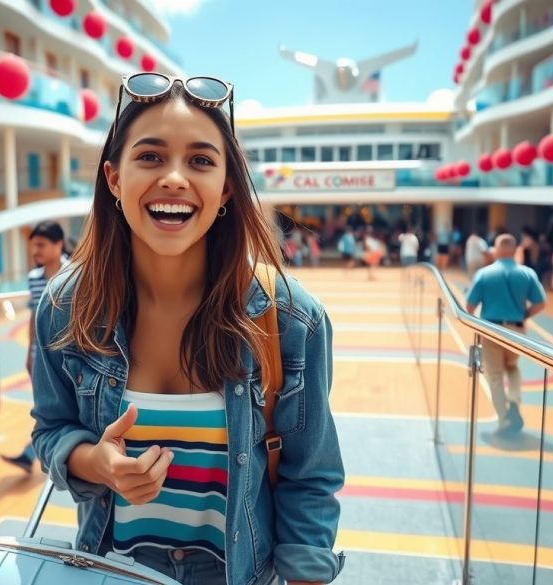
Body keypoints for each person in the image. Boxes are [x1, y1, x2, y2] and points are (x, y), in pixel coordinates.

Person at [30, 73, 345, 585]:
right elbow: (51, 430)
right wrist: (100, 464)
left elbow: (309, 478)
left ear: (225, 188)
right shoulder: (66, 306)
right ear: (114, 179)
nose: (175, 178)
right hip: (112, 569)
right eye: (150, 156)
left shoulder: (289, 318)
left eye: (200, 160)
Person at [0, 221, 70, 473]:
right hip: (43, 353)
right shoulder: (34, 278)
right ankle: (36, 455)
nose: (35, 251)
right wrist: (31, 351)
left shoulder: (74, 273)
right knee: (45, 407)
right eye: (33, 246)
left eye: (41, 245)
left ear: (58, 244)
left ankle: (49, 456)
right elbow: (34, 315)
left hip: (70, 352)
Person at [465, 234, 547, 435]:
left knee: (494, 376)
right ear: (514, 249)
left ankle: (504, 419)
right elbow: (541, 303)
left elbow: (469, 306)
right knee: (512, 366)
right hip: (517, 330)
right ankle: (514, 399)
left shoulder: (484, 274)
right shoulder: (527, 273)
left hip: (492, 330)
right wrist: (524, 315)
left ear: (497, 249)